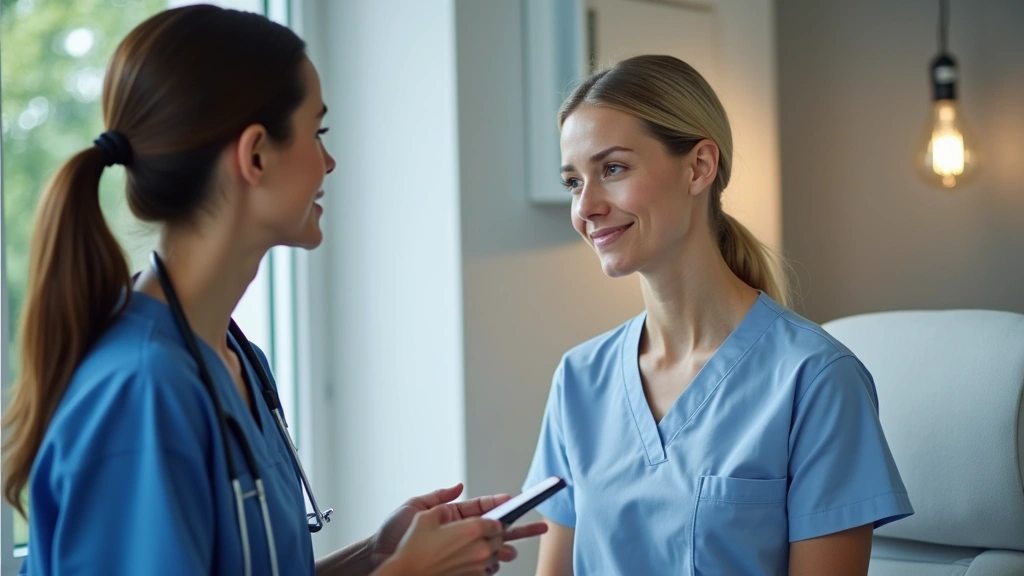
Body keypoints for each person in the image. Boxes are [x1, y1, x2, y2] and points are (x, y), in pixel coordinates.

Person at [1, 5, 544, 575]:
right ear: (255, 154)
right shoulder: (141, 391)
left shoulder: (238, 360)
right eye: (317, 132)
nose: (329, 162)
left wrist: (376, 556)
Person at [523, 54, 914, 575]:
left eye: (612, 169)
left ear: (699, 167)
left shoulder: (815, 379)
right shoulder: (579, 379)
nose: (585, 206)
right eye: (574, 182)